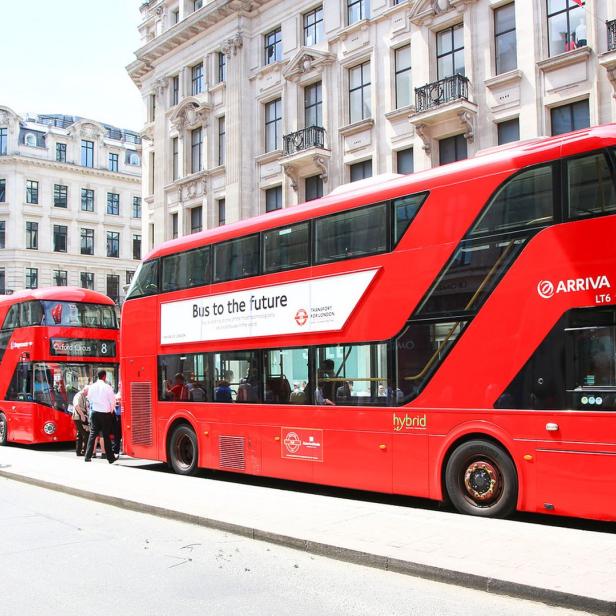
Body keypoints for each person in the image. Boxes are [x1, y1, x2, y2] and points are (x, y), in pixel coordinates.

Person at [84, 370, 117, 463]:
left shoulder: (92, 386)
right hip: (105, 413)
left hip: (95, 412)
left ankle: (87, 456)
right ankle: (110, 458)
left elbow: (89, 398)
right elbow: (112, 400)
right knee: (106, 436)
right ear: (104, 377)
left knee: (93, 434)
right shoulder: (107, 387)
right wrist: (110, 410)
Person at [72, 386, 89, 456]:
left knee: (80, 434)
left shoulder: (83, 396)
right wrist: (82, 415)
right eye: (88, 392)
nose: (88, 393)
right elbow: (76, 405)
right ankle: (84, 451)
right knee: (86, 434)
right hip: (78, 417)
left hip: (80, 416)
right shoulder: (78, 396)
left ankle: (78, 451)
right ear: (85, 390)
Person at [112, 385, 122, 456]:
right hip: (117, 416)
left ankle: (121, 448)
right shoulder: (116, 394)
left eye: (119, 399)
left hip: (122, 416)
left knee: (120, 434)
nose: (118, 401)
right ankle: (116, 449)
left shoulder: (122, 393)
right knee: (117, 435)